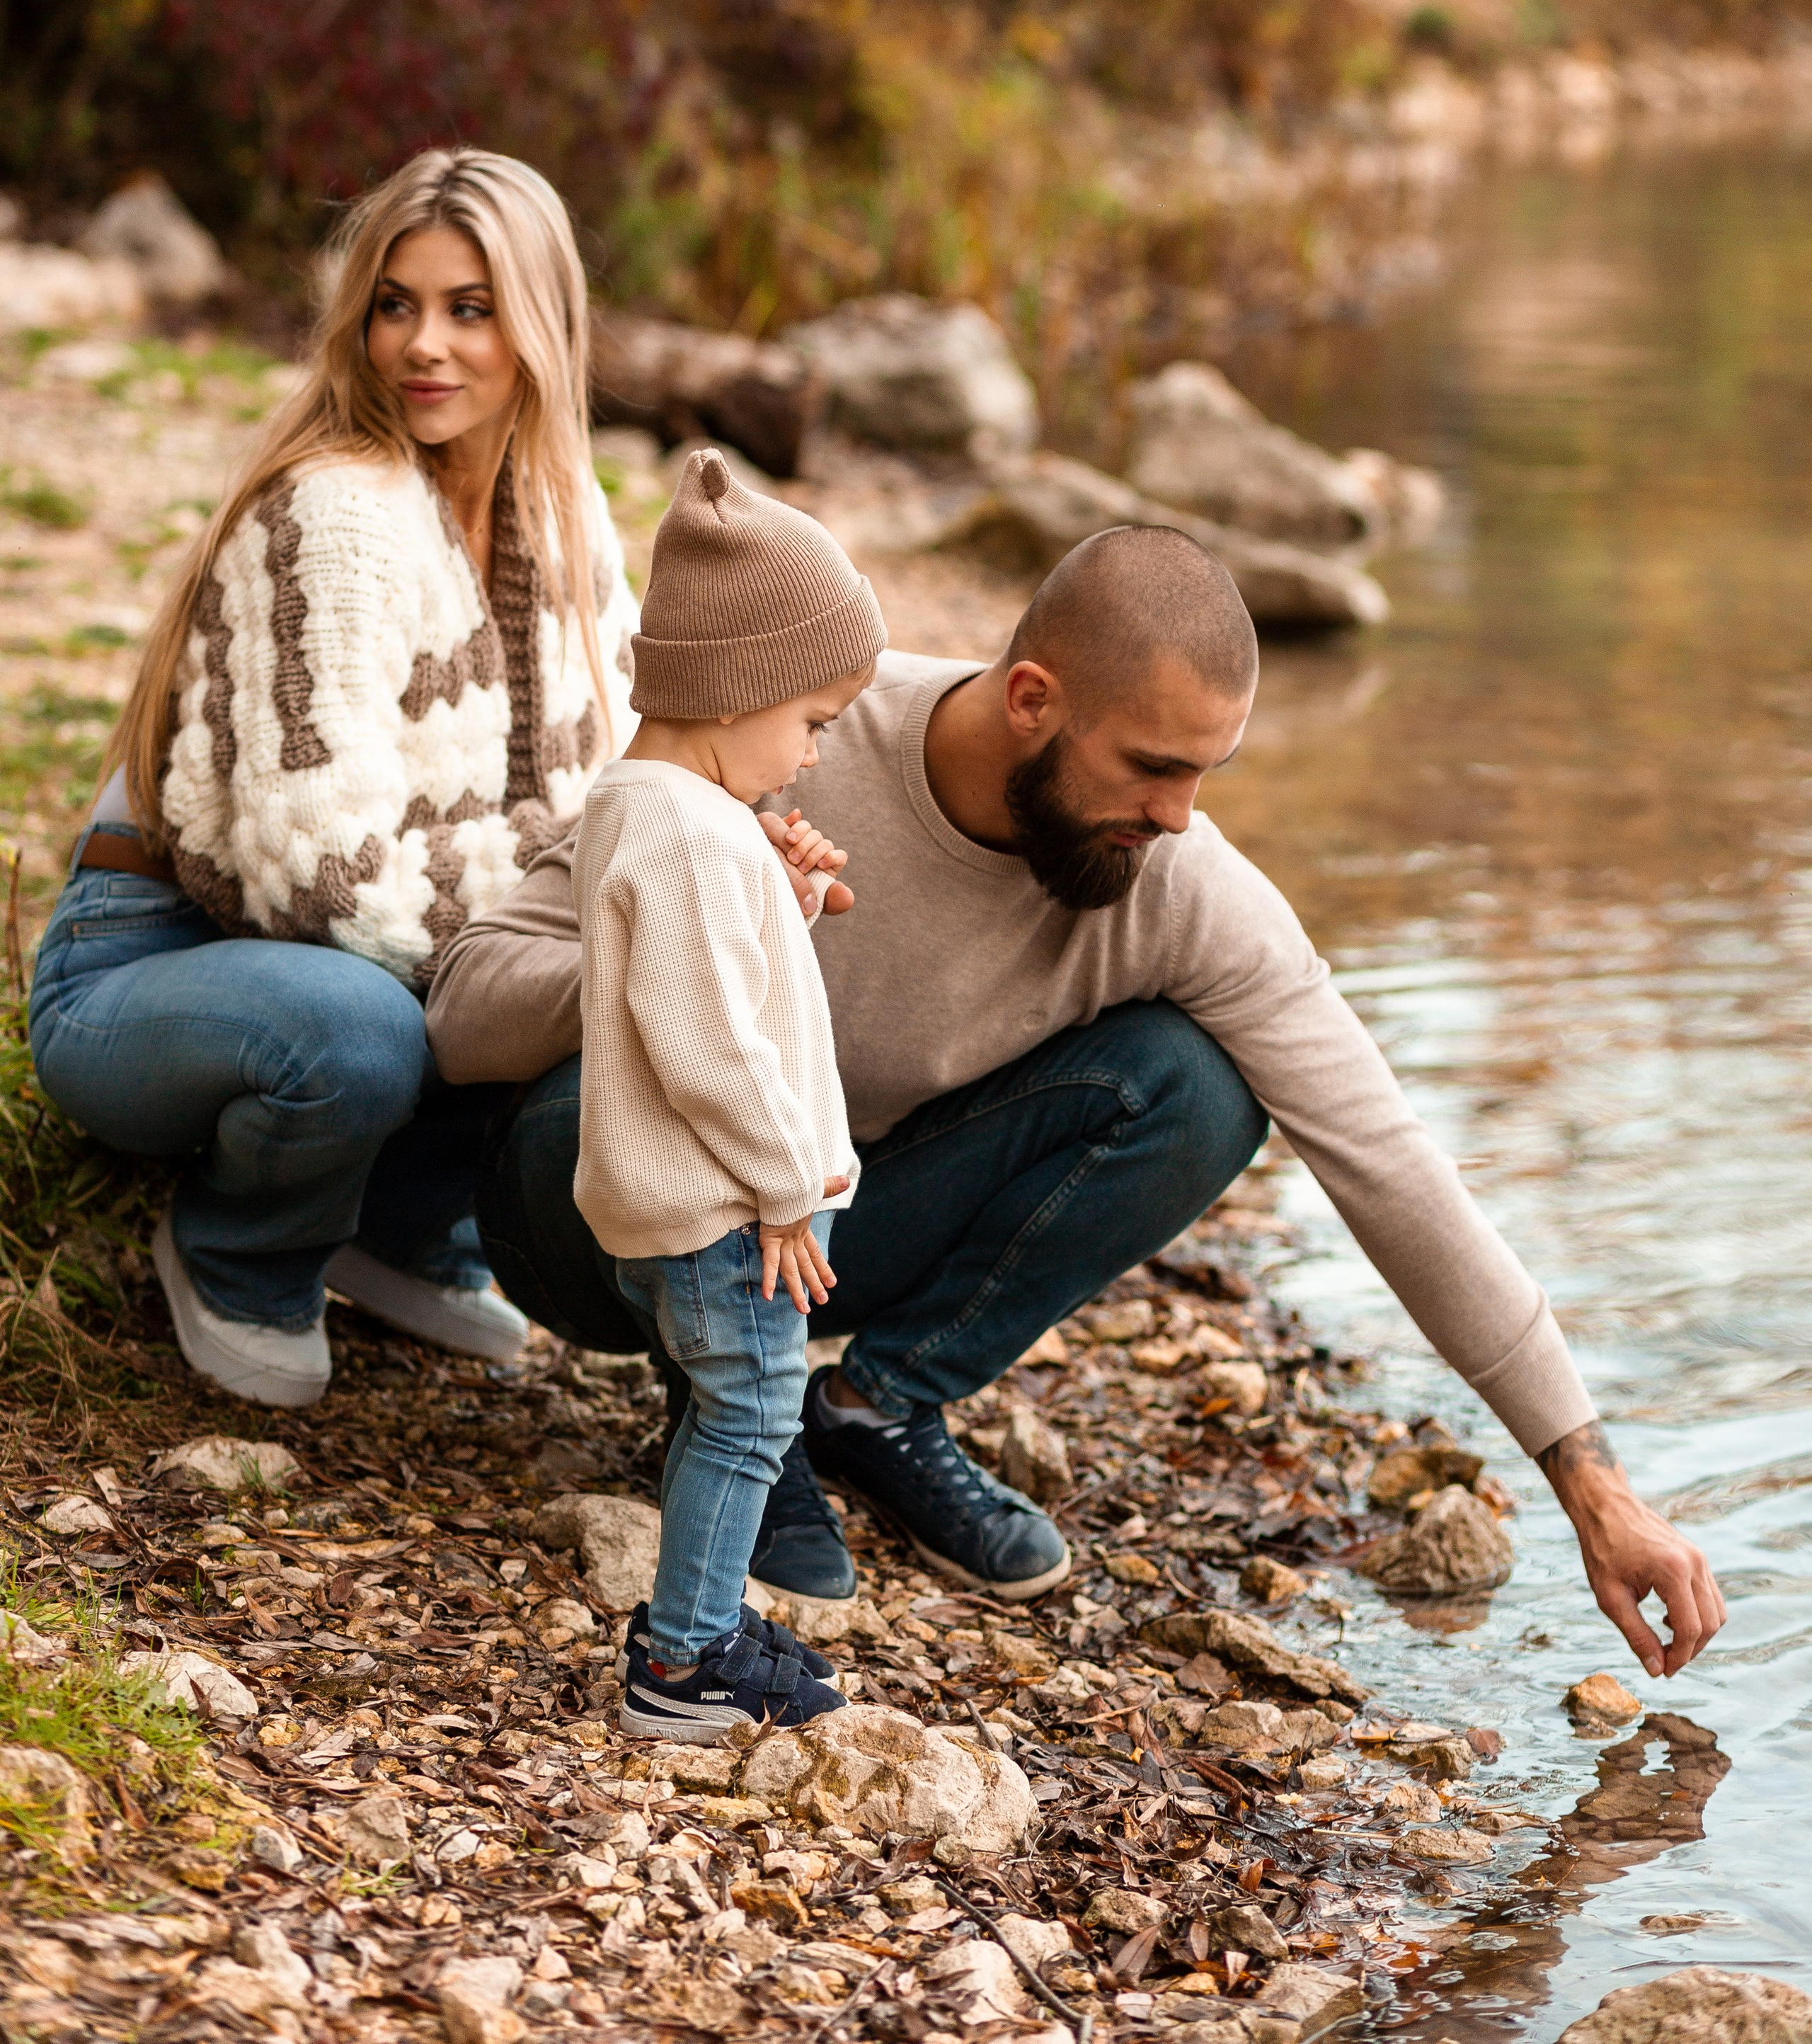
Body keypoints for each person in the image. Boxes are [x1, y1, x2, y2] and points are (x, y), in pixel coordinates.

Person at [428, 525, 1726, 1677]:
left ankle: (876, 1406)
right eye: (1156, 766)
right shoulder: (790, 730)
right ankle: (721, 1416)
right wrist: (692, 936)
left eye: (1206, 773)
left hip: (832, 1235)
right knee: (586, 1088)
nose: (1177, 816)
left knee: (1203, 1087)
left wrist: (1591, 1484)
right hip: (599, 1225)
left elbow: (1389, 1159)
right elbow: (467, 1003)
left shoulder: (1173, 877)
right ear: (1034, 699)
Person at [29, 148, 636, 1409]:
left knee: (610, 959)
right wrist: (561, 925)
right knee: (371, 1025)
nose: (426, 346)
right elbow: (329, 879)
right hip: (153, 961)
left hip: (365, 940)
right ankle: (239, 1252)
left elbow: (617, 789)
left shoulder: (567, 510)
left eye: (472, 308)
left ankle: (403, 1230)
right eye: (395, 304)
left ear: (541, 323)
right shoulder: (335, 514)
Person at [580, 450, 883, 1735]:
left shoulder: (655, 807)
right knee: (751, 1410)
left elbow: (720, 971)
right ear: (740, 686)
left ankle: (698, 1617)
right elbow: (709, 1042)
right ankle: (684, 1661)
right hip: (724, 1208)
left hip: (696, 1201)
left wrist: (790, 891)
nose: (813, 754)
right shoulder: (692, 834)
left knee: (736, 1408)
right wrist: (783, 1188)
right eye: (811, 722)